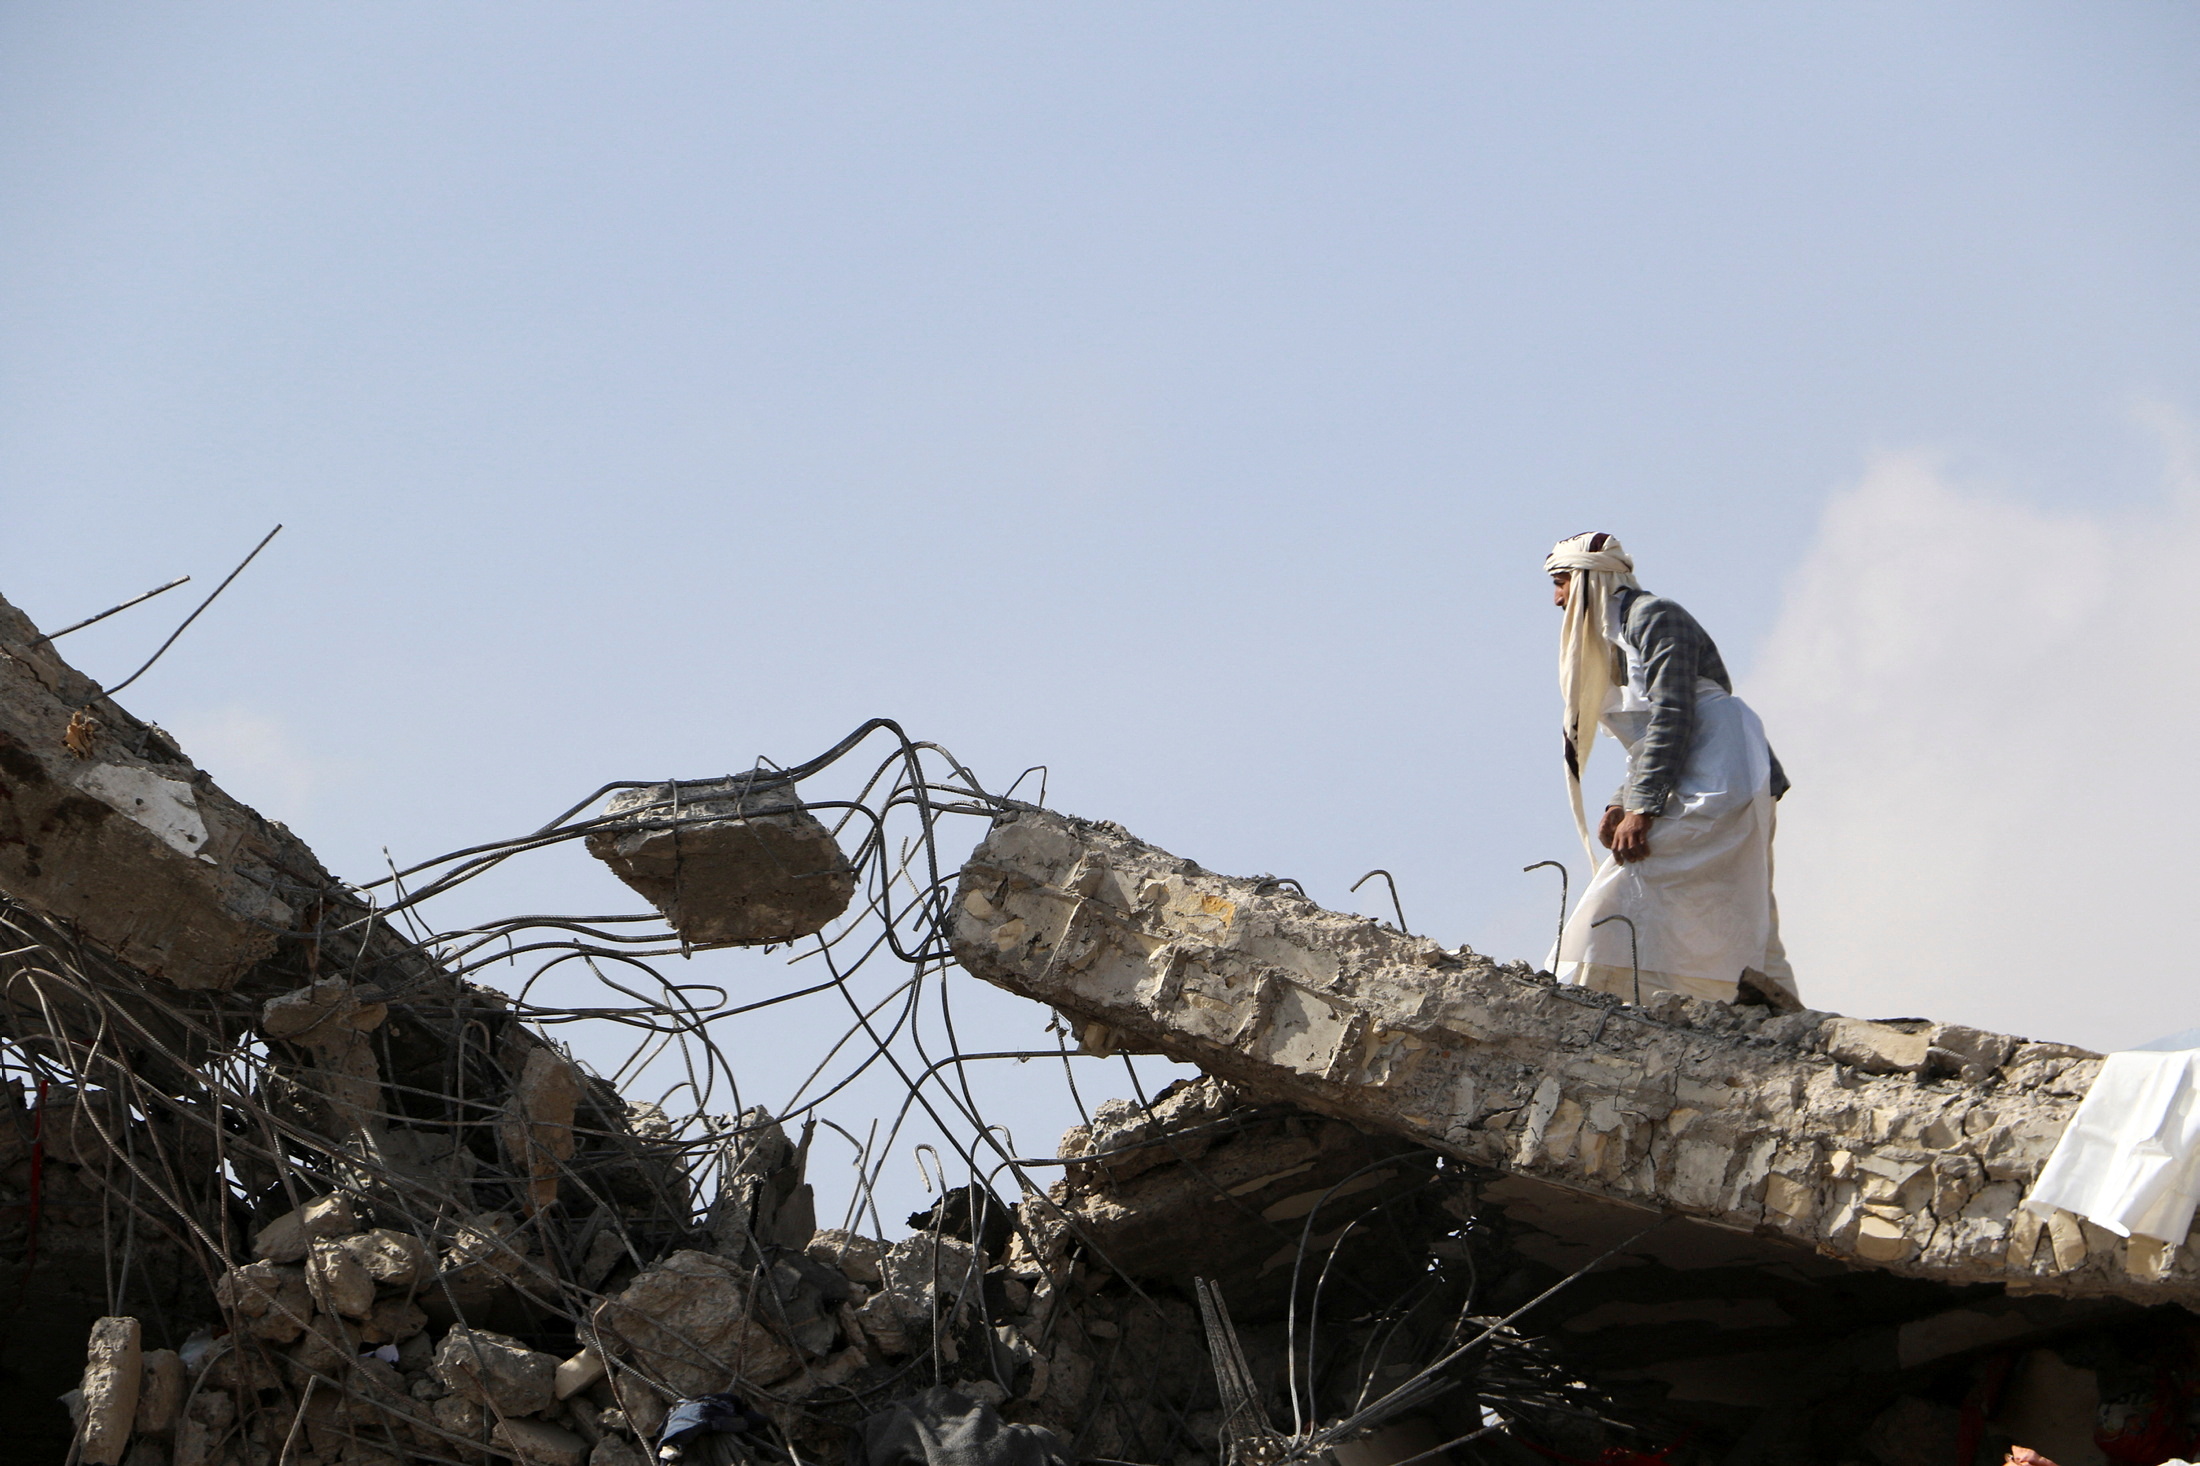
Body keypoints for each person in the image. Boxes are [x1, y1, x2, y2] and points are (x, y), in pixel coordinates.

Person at [1543, 531, 1799, 1008]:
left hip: (1724, 773)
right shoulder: (1609, 638)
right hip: (1686, 771)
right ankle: (1771, 1011)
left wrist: (1642, 807)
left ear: (1589, 578)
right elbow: (1643, 736)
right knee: (1742, 904)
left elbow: (1673, 714)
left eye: (1561, 583)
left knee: (1639, 866)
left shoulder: (1654, 618)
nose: (1556, 599)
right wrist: (1622, 799)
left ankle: (1582, 997)